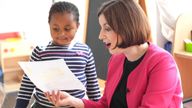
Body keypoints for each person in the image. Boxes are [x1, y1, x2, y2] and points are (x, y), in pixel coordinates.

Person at [45, 0, 183, 108]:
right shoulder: (116, 60)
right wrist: (75, 101)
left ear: (126, 26)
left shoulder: (163, 62)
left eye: (107, 28)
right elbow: (105, 104)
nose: (100, 36)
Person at [15, 1, 101, 108]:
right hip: (42, 106)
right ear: (49, 25)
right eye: (55, 29)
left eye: (67, 29)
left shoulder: (85, 51)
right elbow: (27, 85)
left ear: (77, 26)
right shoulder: (40, 52)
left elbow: (93, 86)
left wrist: (98, 105)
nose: (61, 34)